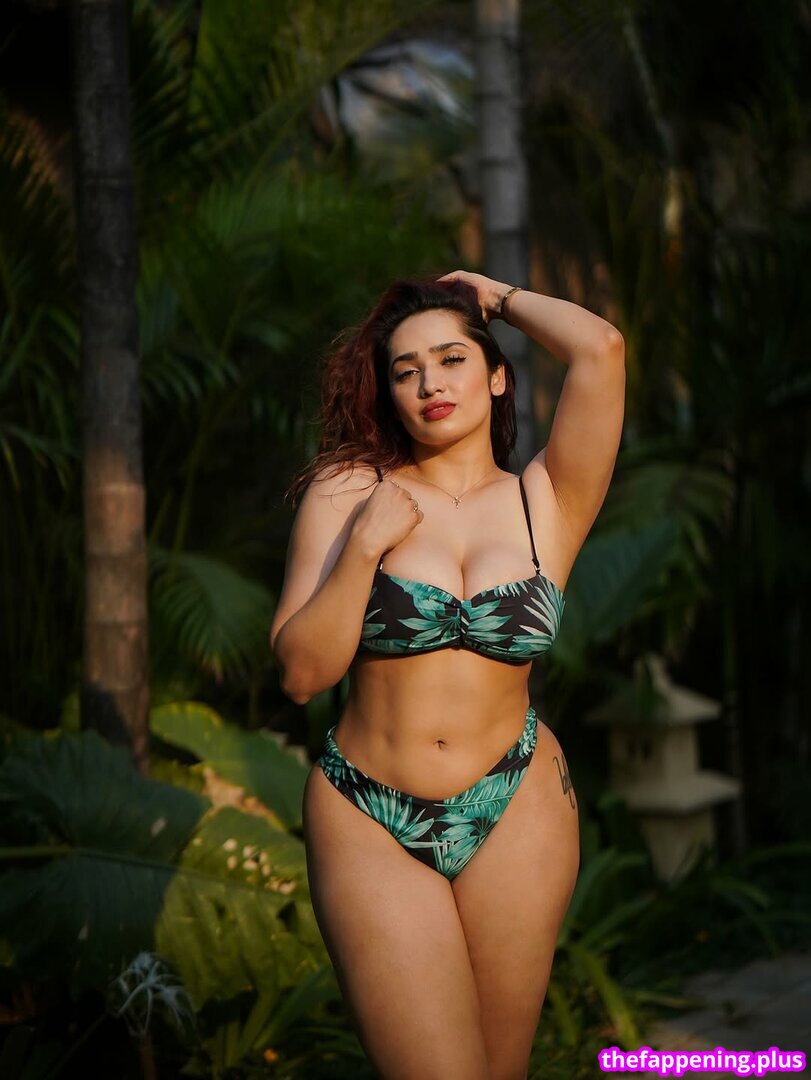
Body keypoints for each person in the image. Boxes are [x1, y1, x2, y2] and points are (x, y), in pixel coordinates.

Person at [270, 270, 625, 1079]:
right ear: (390, 395)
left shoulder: (547, 501)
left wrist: (495, 298)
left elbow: (601, 350)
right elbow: (300, 674)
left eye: (452, 359)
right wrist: (364, 547)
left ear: (496, 377)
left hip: (517, 802)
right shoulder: (349, 492)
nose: (430, 383)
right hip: (369, 812)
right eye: (406, 371)